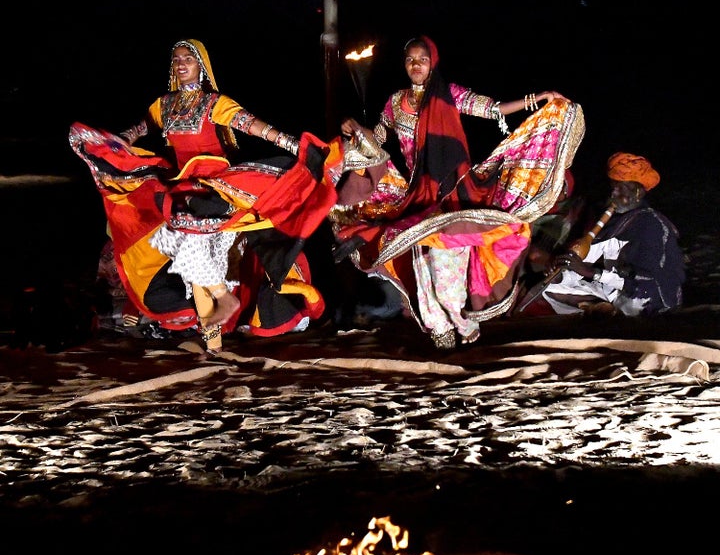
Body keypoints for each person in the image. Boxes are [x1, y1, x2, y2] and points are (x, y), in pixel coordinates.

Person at [70, 39, 341, 355]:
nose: (181, 63)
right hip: (183, 191)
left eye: (189, 58)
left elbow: (252, 126)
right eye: (176, 59)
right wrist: (112, 147)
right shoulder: (164, 105)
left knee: (192, 246)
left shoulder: (214, 103)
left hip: (216, 189)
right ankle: (213, 345)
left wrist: (293, 145)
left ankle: (224, 299)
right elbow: (135, 132)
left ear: (202, 65)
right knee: (188, 259)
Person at [331, 35, 585, 348]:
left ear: (432, 61)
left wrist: (538, 98)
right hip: (417, 201)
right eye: (410, 59)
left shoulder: (449, 95)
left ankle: (465, 327)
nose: (416, 65)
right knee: (423, 274)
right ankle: (442, 340)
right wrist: (356, 130)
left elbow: (494, 109)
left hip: (452, 199)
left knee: (446, 286)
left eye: (422, 59)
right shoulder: (396, 102)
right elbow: (378, 140)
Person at [540, 152, 685, 317]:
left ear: (637, 193)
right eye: (613, 187)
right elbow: (584, 260)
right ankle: (602, 308)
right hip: (613, 289)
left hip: (648, 297)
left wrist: (593, 273)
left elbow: (649, 282)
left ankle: (602, 310)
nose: (614, 195)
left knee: (636, 303)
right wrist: (563, 268)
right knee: (551, 289)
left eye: (621, 189)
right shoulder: (613, 223)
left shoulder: (651, 225)